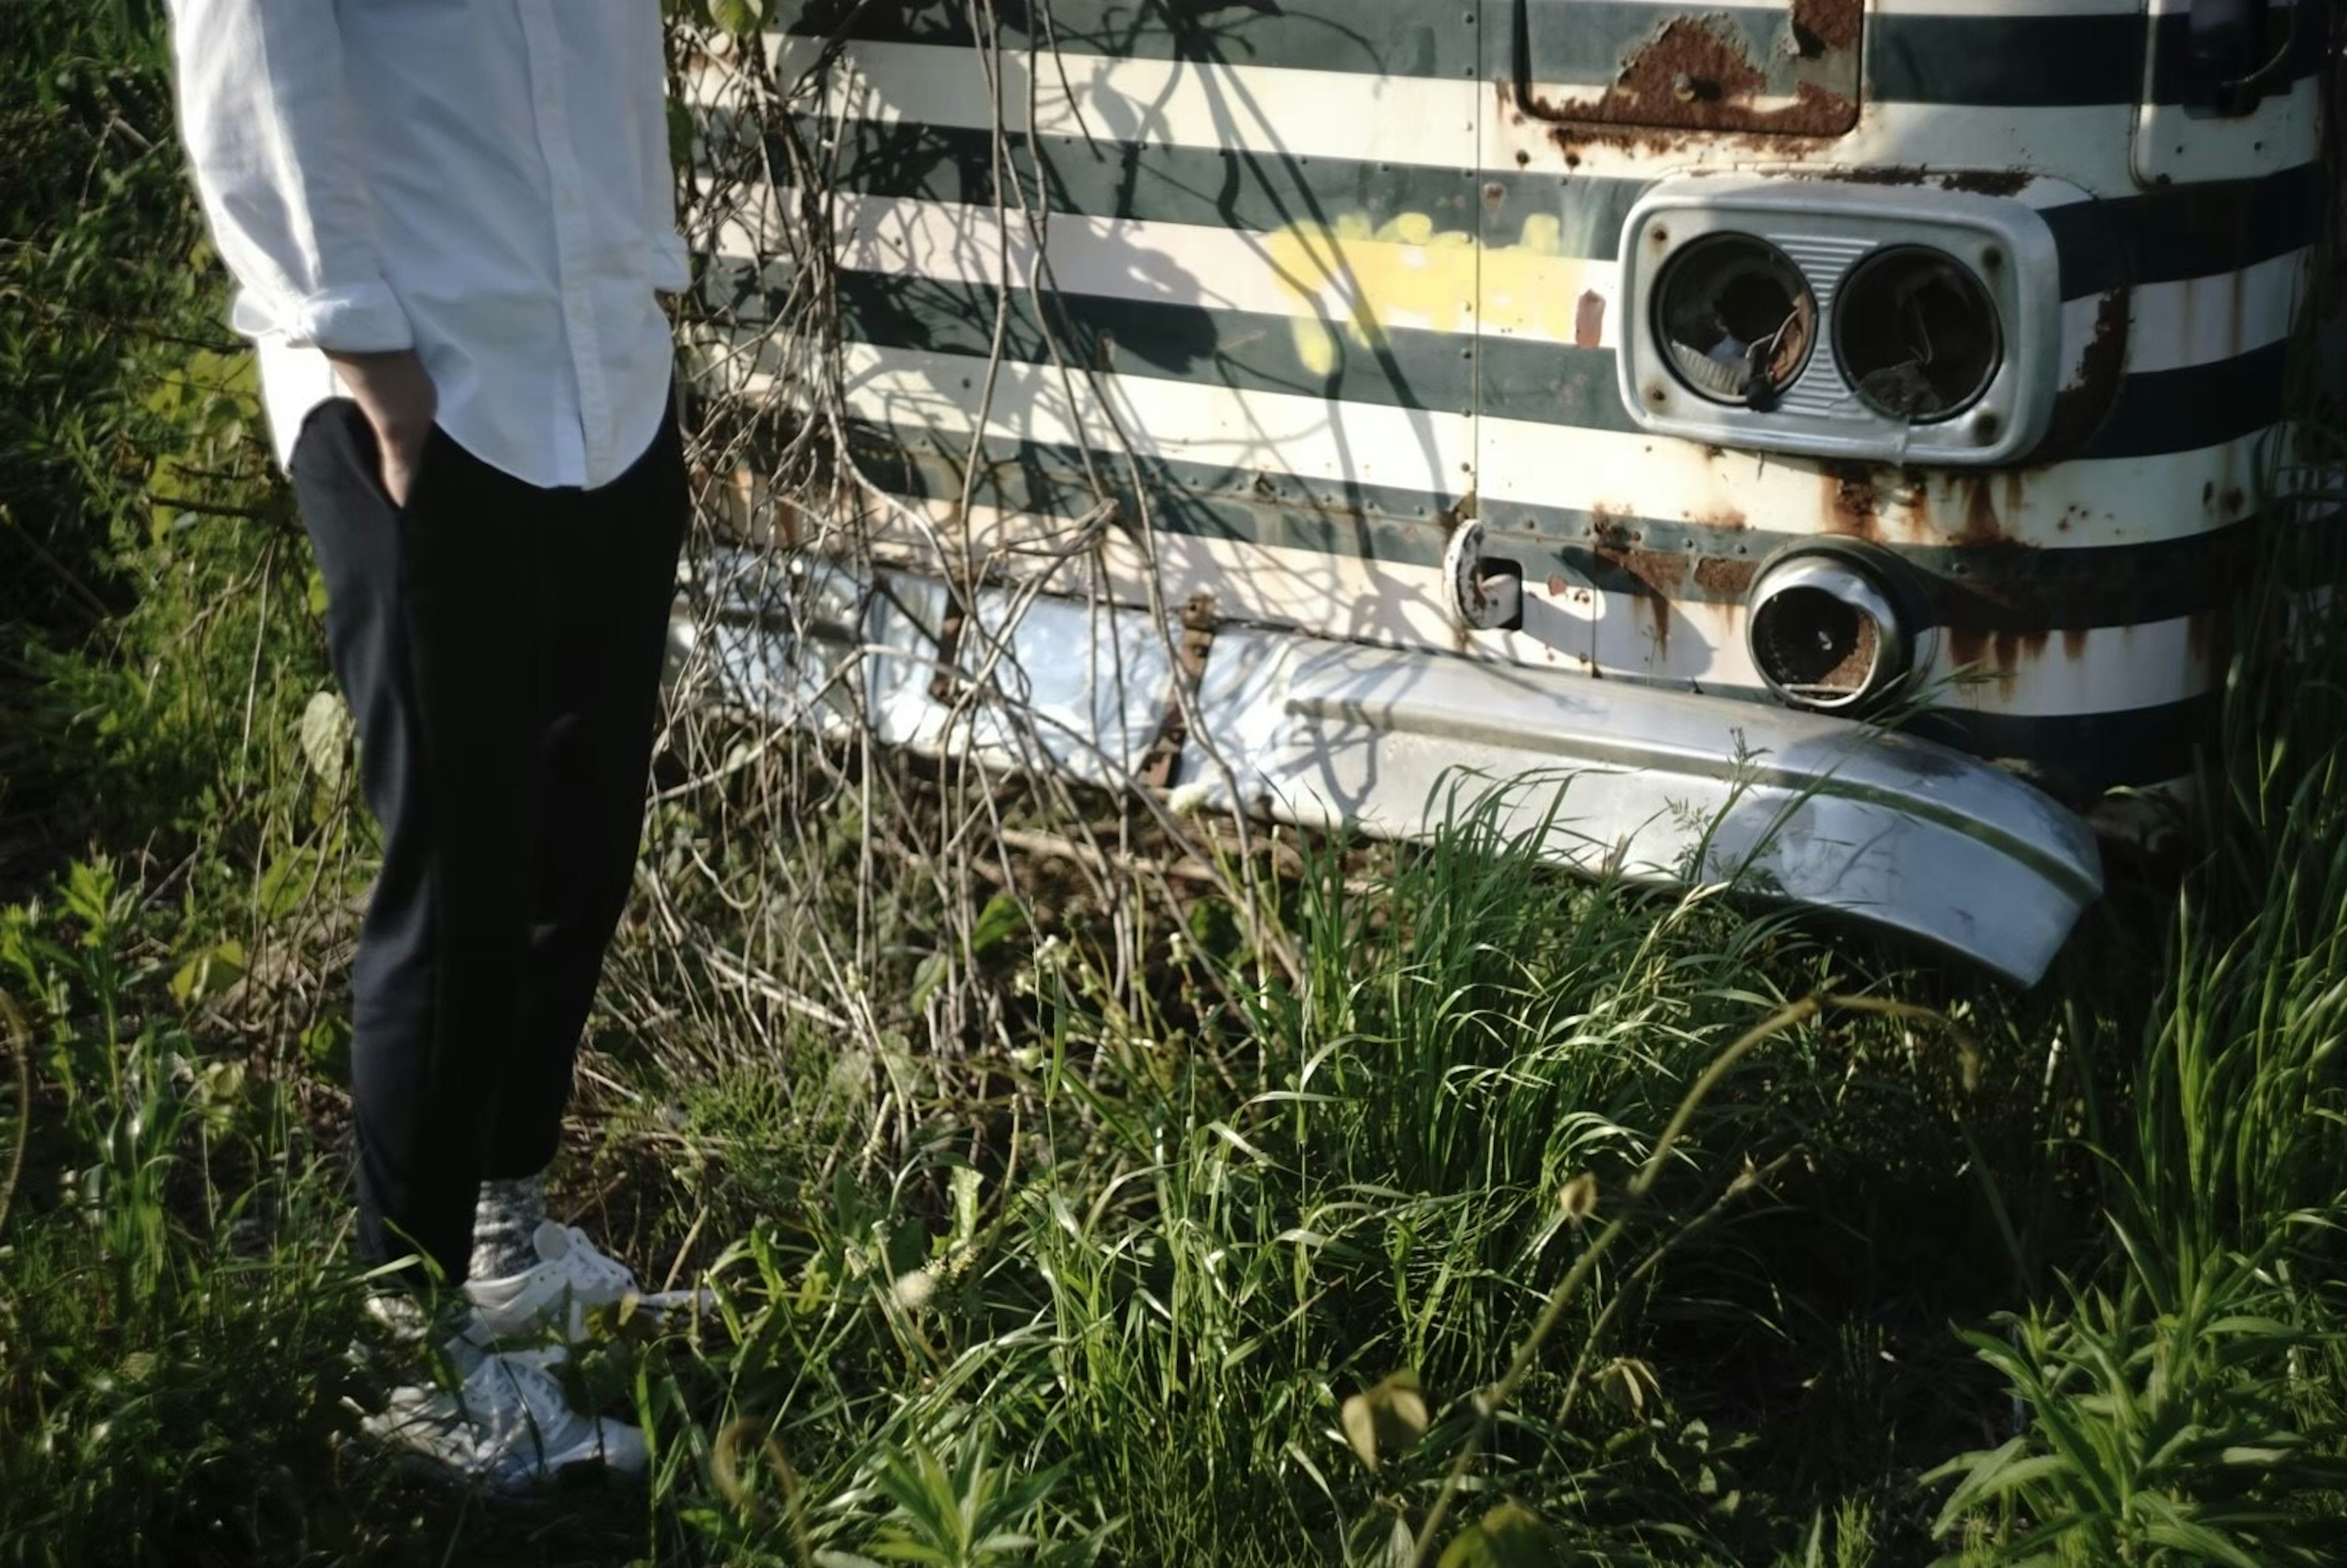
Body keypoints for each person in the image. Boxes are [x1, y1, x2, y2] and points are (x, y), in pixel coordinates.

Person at [166, 0, 692, 1489]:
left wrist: (640, 279)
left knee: (578, 841)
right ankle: (400, 1345)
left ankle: (500, 1238)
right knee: (453, 884)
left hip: (603, 365)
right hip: (419, 380)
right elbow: (249, 31)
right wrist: (357, 337)